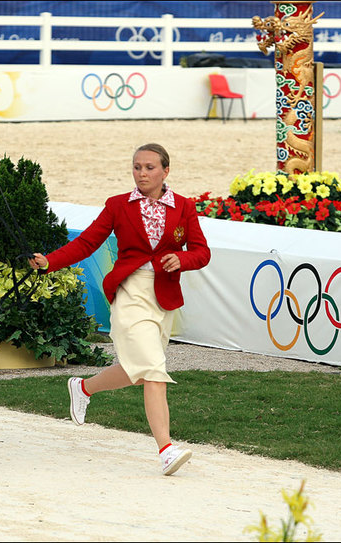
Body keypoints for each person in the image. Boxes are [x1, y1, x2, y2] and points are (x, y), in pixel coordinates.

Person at [28, 143, 211, 475]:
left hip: (164, 298)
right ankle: (166, 449)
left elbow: (201, 252)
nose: (141, 173)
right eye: (137, 167)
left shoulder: (184, 207)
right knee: (153, 370)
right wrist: (50, 261)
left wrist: (181, 259)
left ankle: (82, 388)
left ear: (166, 171)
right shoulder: (117, 205)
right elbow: (88, 242)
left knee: (136, 369)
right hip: (129, 293)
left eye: (149, 168)